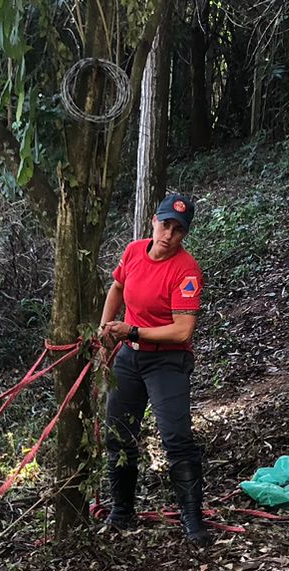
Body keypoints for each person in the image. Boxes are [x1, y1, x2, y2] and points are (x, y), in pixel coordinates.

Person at [97, 192, 210, 545]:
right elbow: (117, 287)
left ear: (184, 234)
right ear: (153, 221)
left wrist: (131, 331)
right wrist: (105, 331)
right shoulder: (134, 252)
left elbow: (182, 330)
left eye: (178, 230)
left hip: (167, 359)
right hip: (129, 357)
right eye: (165, 225)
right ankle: (121, 511)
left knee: (176, 438)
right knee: (118, 434)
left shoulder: (186, 270)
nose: (168, 235)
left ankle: (193, 519)